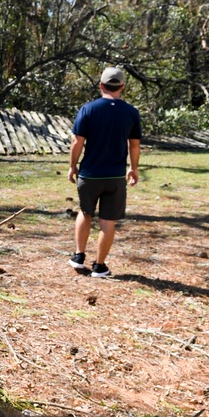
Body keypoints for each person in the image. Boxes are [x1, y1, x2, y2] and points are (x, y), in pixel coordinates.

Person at [67, 66, 142, 278]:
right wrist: (133, 169)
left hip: (90, 174)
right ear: (122, 87)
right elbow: (134, 145)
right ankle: (100, 266)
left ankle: (79, 256)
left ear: (101, 85)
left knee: (85, 212)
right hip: (116, 176)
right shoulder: (131, 112)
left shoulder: (88, 109)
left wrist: (73, 166)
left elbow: (77, 141)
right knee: (108, 221)